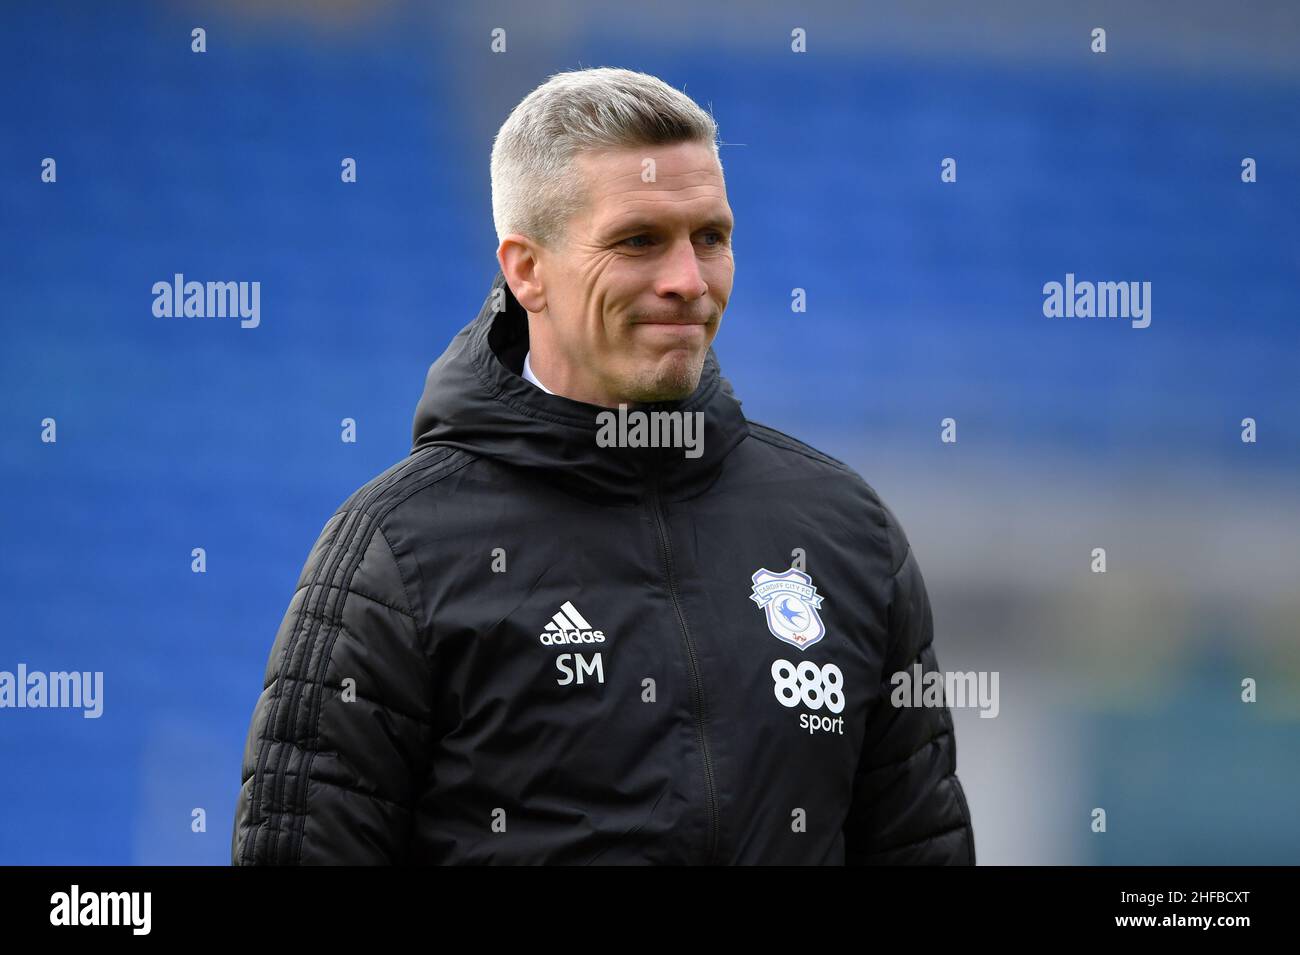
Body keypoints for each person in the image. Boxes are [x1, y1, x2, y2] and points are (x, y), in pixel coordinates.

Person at [231, 66, 974, 865]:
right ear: (526, 270)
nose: (688, 282)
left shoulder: (845, 533)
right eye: (638, 241)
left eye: (710, 238)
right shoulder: (396, 552)